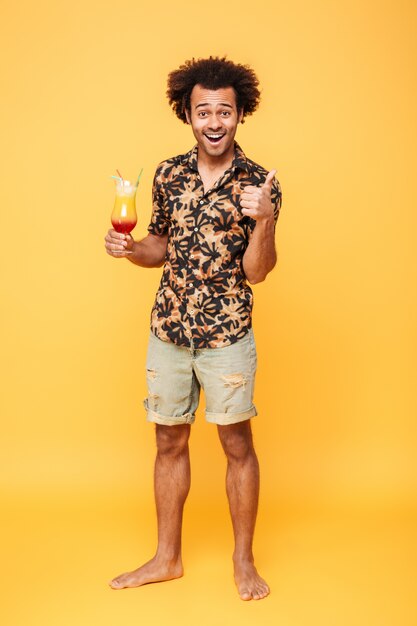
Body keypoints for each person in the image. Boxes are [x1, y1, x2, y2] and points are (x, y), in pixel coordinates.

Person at [104, 56, 282, 601]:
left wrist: (265, 219)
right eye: (203, 109)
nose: (213, 120)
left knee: (236, 444)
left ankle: (243, 561)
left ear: (239, 114)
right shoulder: (168, 174)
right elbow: (160, 246)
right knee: (167, 439)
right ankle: (167, 558)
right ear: (187, 112)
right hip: (170, 330)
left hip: (227, 333)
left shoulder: (260, 184)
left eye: (223, 110)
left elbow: (258, 272)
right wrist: (131, 248)